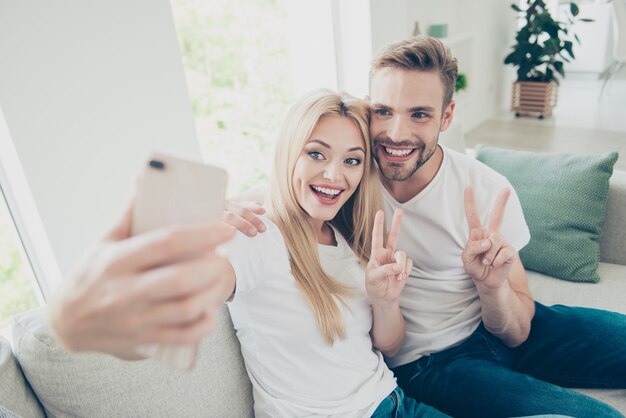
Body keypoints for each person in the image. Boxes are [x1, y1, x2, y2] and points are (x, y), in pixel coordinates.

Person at [232, 36, 626, 418]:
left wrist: (492, 288)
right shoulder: (346, 182)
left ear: (447, 115)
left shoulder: (485, 190)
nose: (398, 133)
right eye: (384, 111)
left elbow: (518, 330)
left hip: (494, 324)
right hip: (431, 364)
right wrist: (217, 206)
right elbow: (287, 189)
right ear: (369, 110)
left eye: (419, 114)